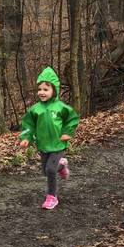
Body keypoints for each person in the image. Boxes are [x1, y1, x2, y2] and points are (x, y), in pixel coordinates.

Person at [19, 66, 79, 210]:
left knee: (50, 170)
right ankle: (62, 165)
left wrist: (67, 132)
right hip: (43, 144)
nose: (42, 92)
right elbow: (28, 124)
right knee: (45, 171)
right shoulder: (35, 109)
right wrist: (26, 137)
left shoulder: (60, 107)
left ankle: (52, 197)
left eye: (46, 89)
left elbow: (72, 119)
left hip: (58, 144)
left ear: (54, 91)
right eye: (39, 89)